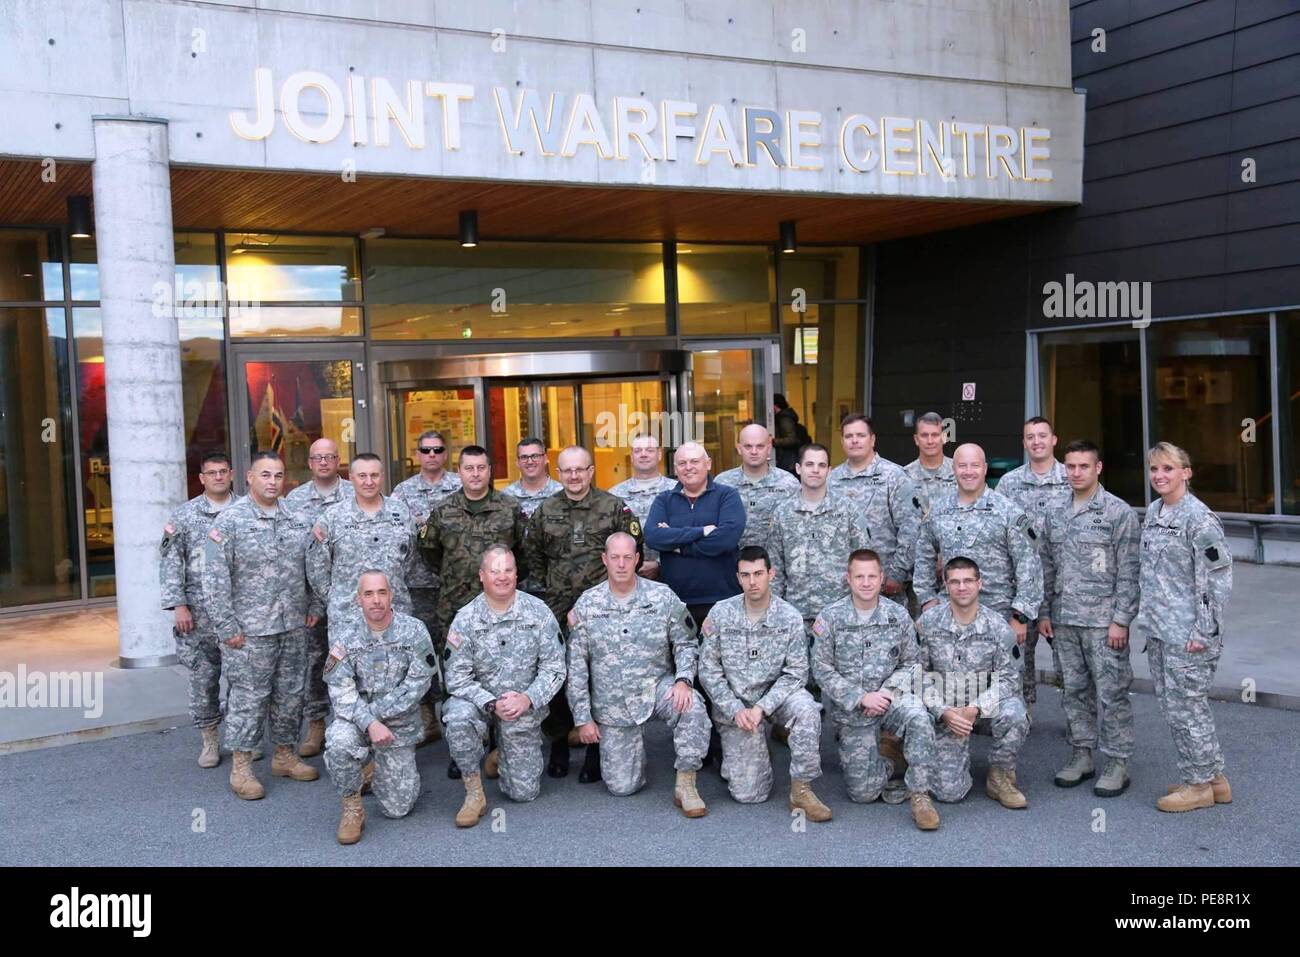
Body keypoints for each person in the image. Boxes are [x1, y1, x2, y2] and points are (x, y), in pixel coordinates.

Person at [203, 451, 322, 800]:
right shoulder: (229, 522)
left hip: (293, 625)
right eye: (265, 475)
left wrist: (315, 604)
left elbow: (312, 566)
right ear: (249, 478)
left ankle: (285, 755)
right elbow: (213, 578)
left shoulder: (296, 519)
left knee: (290, 694)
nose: (272, 482)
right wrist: (226, 626)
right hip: (249, 631)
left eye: (278, 475)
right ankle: (242, 767)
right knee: (248, 698)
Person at [566, 533, 711, 817]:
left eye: (627, 557)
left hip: (655, 687)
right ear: (604, 560)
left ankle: (686, 783)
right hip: (613, 703)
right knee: (623, 787)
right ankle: (633, 754)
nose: (621, 564)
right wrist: (583, 718)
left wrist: (683, 679)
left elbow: (685, 642)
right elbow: (577, 666)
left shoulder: (662, 596)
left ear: (637, 559)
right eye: (615, 557)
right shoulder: (587, 604)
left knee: (691, 704)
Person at [523, 445, 643, 780]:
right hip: (558, 606)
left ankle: (594, 749)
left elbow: (633, 550)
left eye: (581, 469)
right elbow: (533, 556)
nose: (574, 476)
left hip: (603, 608)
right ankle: (560, 741)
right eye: (567, 471)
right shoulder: (545, 511)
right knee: (557, 675)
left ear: (591, 471)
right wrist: (556, 586)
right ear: (558, 473)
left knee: (599, 676)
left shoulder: (614, 507)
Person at [418, 445, 528, 777]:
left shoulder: (509, 509)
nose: (476, 474)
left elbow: (523, 553)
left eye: (481, 467)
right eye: (469, 468)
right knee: (457, 679)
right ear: (460, 471)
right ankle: (463, 748)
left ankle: (498, 744)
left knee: (501, 673)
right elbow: (430, 552)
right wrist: (458, 577)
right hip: (455, 607)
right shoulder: (444, 509)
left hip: (501, 609)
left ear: (489, 470)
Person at [1135, 442, 1233, 813]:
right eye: (1154, 469)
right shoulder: (1157, 512)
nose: (1159, 476)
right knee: (1178, 707)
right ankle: (1213, 778)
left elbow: (1216, 582)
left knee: (1187, 709)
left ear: (1186, 473)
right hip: (1161, 630)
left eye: (1168, 469)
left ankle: (1197, 786)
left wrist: (1203, 633)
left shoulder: (1199, 519)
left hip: (1189, 635)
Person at [810, 549, 940, 830]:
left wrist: (887, 692)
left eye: (872, 576)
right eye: (859, 576)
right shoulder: (830, 618)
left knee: (919, 717)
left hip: (892, 700)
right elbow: (822, 670)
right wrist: (860, 697)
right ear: (849, 579)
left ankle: (920, 795)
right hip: (853, 708)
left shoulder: (898, 615)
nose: (866, 583)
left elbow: (912, 663)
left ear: (882, 579)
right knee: (863, 794)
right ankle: (891, 759)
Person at [697, 546, 830, 820]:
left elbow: (796, 672)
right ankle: (754, 749)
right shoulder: (720, 614)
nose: (753, 581)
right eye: (746, 575)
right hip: (737, 704)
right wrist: (736, 709)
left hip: (777, 697)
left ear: (771, 574)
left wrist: (762, 708)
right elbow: (708, 670)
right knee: (749, 795)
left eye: (759, 573)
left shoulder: (789, 616)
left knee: (807, 710)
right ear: (738, 578)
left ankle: (801, 789)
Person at [1039, 439, 1140, 796]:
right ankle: (1081, 753)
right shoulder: (1054, 511)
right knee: (1074, 691)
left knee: (1112, 693)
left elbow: (1130, 571)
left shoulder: (1118, 512)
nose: (1076, 472)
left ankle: (1117, 761)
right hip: (1065, 620)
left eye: (1083, 466)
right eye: (1070, 466)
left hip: (1103, 623)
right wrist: (1044, 612)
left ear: (1098, 468)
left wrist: (1122, 620)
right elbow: (1046, 566)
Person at [443, 546, 565, 827]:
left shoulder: (538, 612)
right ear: (482, 576)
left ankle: (500, 756)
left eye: (508, 570)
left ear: (516, 573)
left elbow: (555, 668)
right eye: (495, 571)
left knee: (524, 793)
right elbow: (457, 678)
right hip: (479, 705)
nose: (502, 577)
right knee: (458, 718)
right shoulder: (466, 618)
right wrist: (490, 702)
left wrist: (528, 698)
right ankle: (474, 792)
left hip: (520, 707)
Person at [645, 440, 746, 767]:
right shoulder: (664, 499)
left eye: (695, 462)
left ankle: (722, 742)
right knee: (687, 674)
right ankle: (693, 747)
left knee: (721, 674)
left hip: (720, 601)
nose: (689, 467)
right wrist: (702, 531)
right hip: (678, 604)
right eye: (682, 463)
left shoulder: (727, 496)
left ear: (708, 464)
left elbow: (727, 540)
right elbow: (653, 538)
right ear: (675, 469)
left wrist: (678, 543)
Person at [914, 444, 1043, 691]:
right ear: (953, 469)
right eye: (962, 465)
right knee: (954, 686)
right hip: (950, 614)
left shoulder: (1008, 511)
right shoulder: (938, 511)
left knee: (1008, 687)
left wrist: (1020, 616)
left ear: (984, 469)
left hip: (999, 612)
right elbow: (923, 555)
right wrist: (927, 599)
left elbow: (1029, 564)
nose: (968, 471)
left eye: (975, 465)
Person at [323, 570, 435, 845]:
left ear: (391, 595)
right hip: (357, 722)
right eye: (369, 594)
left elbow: (418, 684)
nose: (376, 600)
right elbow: (340, 691)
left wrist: (376, 716)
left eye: (382, 593)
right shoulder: (346, 637)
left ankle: (375, 766)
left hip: (398, 725)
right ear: (358, 599)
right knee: (338, 742)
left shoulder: (414, 630)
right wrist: (369, 723)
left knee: (397, 809)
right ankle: (352, 806)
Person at [917, 557, 1030, 809]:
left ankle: (1000, 774)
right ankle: (922, 759)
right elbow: (916, 674)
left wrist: (976, 708)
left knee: (1015, 713)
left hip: (983, 707)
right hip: (947, 709)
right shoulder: (928, 623)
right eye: (954, 582)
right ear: (946, 586)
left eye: (968, 580)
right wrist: (942, 711)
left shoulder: (998, 627)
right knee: (949, 793)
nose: (962, 587)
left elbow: (1010, 678)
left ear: (980, 584)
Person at [159, 451, 239, 768]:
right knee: (203, 679)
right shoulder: (184, 516)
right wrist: (179, 606)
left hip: (237, 612)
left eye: (223, 471)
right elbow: (169, 563)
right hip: (198, 614)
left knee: (242, 679)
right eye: (212, 473)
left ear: (232, 474)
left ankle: (240, 738)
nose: (218, 477)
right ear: (202, 478)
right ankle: (209, 740)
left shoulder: (245, 511)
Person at [283, 437, 354, 758]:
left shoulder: (356, 493)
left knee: (351, 659)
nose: (324, 463)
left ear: (338, 461)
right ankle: (316, 723)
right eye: (317, 458)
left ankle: (351, 720)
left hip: (351, 599)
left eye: (329, 457)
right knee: (314, 661)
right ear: (309, 463)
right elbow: (292, 552)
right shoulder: (294, 501)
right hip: (311, 600)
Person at [994, 417, 1072, 704]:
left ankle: (1078, 724)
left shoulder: (1072, 478)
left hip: (1063, 587)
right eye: (1030, 437)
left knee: (1069, 660)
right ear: (1024, 443)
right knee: (1018, 657)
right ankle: (1021, 714)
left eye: (1042, 435)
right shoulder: (1009, 483)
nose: (1036, 441)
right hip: (1021, 587)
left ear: (1054, 440)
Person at [390, 429, 462, 740]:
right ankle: (427, 715)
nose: (432, 455)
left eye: (437, 450)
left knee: (458, 652)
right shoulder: (402, 493)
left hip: (455, 584)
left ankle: (461, 715)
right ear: (417, 454)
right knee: (421, 653)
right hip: (416, 587)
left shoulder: (460, 487)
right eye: (426, 450)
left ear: (446, 454)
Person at [768, 443, 870, 639]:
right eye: (809, 464)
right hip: (795, 615)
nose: (815, 470)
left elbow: (862, 561)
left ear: (829, 471)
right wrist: (777, 612)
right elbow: (775, 568)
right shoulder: (782, 513)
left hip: (840, 615)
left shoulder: (848, 510)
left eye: (821, 465)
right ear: (798, 468)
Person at [307, 453, 418, 627]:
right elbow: (317, 567)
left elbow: (411, 558)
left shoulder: (402, 512)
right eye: (362, 476)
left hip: (395, 615)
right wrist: (336, 597)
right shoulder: (333, 517)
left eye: (374, 475)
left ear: (382, 477)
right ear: (351, 478)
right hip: (347, 618)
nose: (368, 482)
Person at [828, 414, 918, 600]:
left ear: (872, 439)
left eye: (860, 435)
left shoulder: (895, 477)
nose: (854, 441)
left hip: (884, 586)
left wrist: (897, 574)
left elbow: (911, 529)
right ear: (842, 442)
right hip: (839, 586)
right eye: (848, 436)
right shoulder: (831, 480)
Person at [714, 423, 800, 549]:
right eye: (748, 446)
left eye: (760, 446)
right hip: (733, 563)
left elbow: (797, 528)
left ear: (769, 448)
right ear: (739, 448)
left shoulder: (789, 483)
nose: (754, 451)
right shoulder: (722, 483)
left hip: (774, 564)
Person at [608, 433, 677, 579]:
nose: (643, 455)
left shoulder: (677, 491)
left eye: (649, 450)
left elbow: (685, 532)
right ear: (632, 456)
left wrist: (659, 564)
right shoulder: (614, 495)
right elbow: (609, 537)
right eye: (638, 451)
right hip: (627, 576)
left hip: (672, 573)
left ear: (659, 454)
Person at [903, 412, 955, 523]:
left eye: (935, 435)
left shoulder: (959, 473)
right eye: (924, 435)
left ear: (944, 438)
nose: (930, 441)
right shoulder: (903, 477)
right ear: (916, 439)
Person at [772, 393, 809, 474]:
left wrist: (773, 441)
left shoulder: (785, 419)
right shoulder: (784, 417)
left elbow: (792, 439)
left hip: (789, 460)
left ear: (775, 405)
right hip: (789, 460)